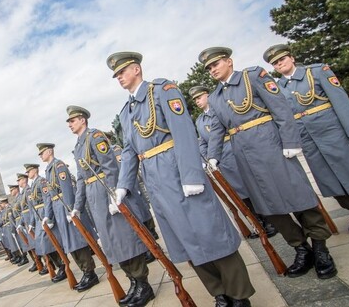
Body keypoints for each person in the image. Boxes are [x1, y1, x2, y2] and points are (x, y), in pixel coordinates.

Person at [109, 51, 255, 307]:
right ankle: (219, 294)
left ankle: (239, 296)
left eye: (122, 71)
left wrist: (191, 174)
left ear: (136, 69)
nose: (119, 77)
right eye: (116, 74)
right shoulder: (126, 112)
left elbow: (184, 130)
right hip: (156, 182)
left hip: (177, 172)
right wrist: (122, 186)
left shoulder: (162, 90)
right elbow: (131, 151)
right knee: (187, 242)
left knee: (211, 234)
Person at [201, 46, 336, 281]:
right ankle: (300, 248)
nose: (213, 69)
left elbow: (281, 108)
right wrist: (213, 156)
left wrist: (291, 142)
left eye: (216, 64)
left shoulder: (252, 76)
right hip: (246, 157)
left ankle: (320, 247)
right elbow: (216, 130)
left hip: (272, 146)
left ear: (229, 62)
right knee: (270, 207)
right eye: (209, 67)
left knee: (299, 197)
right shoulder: (214, 97)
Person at [264, 44, 349, 234]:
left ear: (292, 58)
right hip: (309, 140)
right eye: (275, 63)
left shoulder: (317, 72)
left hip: (334, 132)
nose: (279, 64)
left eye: (282, 59)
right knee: (330, 180)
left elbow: (339, 99)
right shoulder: (277, 88)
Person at [68, 105, 158, 306]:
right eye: (69, 122)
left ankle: (143, 284)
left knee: (124, 237)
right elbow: (82, 180)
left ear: (83, 120)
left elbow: (110, 168)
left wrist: (112, 196)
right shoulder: (78, 147)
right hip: (94, 198)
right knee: (112, 242)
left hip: (105, 192)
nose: (70, 124)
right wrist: (77, 207)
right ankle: (133, 281)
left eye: (72, 120)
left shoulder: (95, 137)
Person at [189, 85, 277, 239]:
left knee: (253, 187)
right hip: (222, 160)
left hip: (236, 151)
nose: (197, 101)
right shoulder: (199, 121)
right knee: (240, 193)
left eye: (200, 97)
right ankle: (258, 222)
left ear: (208, 95)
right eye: (195, 99)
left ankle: (271, 221)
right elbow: (203, 142)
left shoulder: (221, 109)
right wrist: (208, 158)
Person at [38, 143, 100, 292]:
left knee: (77, 241)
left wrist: (70, 210)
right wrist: (48, 216)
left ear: (49, 151)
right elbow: (48, 197)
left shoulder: (58, 166)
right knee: (69, 243)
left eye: (42, 153)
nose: (40, 156)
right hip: (57, 208)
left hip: (65, 206)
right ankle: (85, 271)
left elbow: (66, 190)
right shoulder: (48, 170)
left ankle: (90, 272)